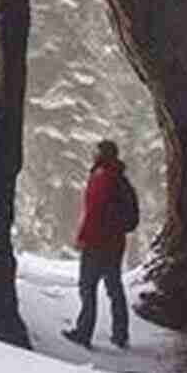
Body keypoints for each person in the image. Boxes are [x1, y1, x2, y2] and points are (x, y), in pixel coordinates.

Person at [61, 138, 131, 350]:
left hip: (97, 242)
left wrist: (83, 237)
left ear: (102, 155)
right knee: (114, 287)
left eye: (96, 151)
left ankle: (83, 332)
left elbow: (94, 211)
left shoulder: (101, 177)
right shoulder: (120, 178)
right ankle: (120, 334)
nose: (93, 154)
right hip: (115, 242)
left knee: (87, 287)